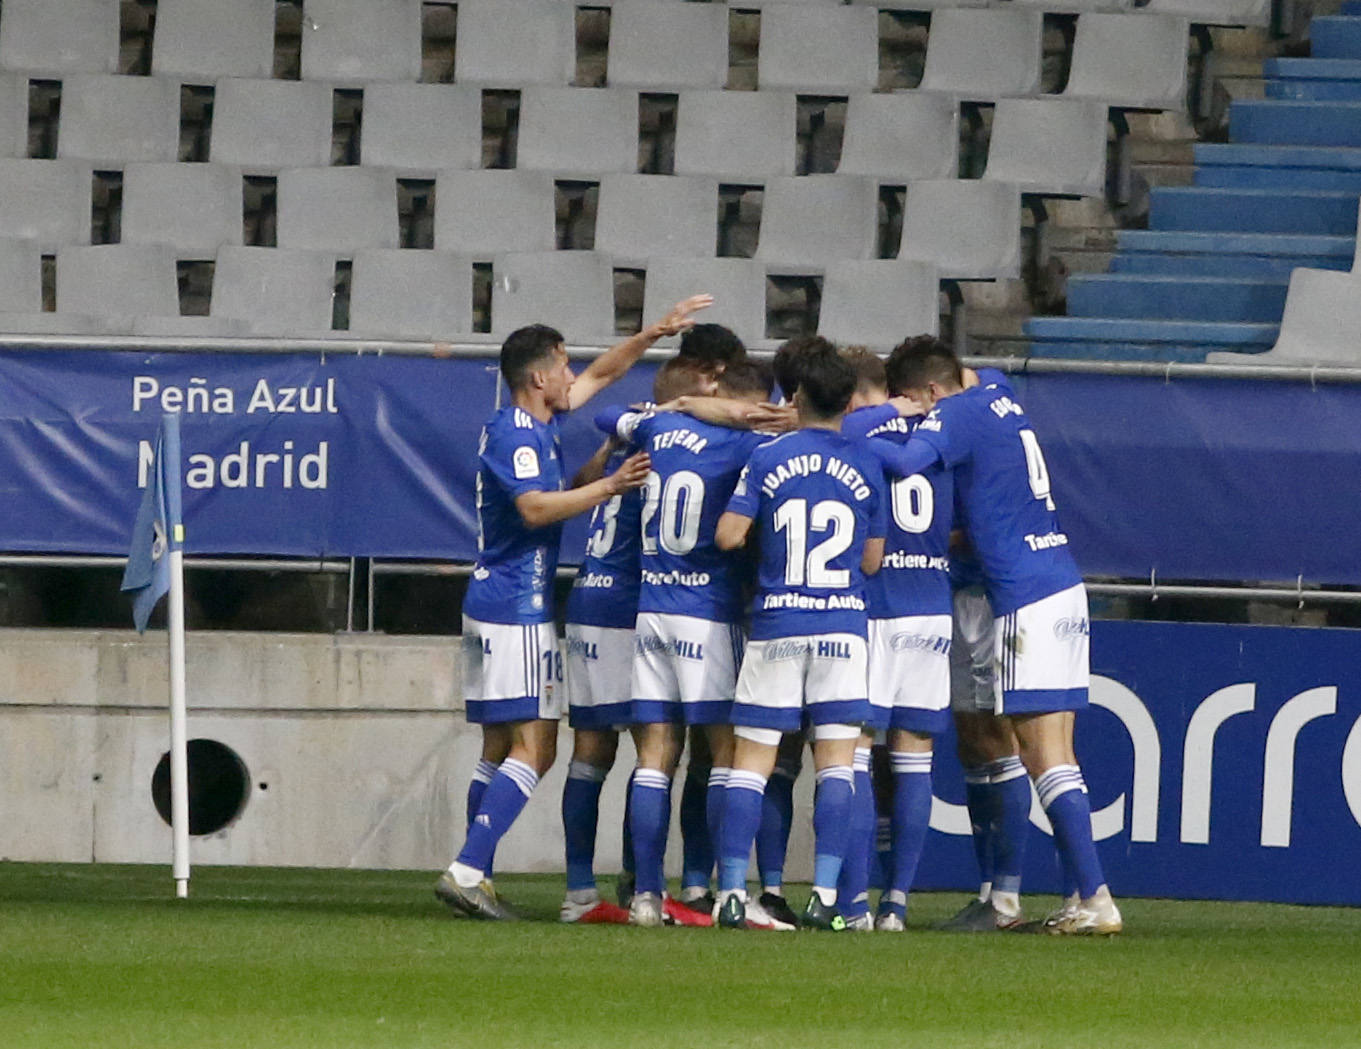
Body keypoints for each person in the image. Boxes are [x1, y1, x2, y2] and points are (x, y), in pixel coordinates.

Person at [436, 296, 712, 919]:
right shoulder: (517, 432)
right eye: (563, 367)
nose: (572, 376)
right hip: (516, 605)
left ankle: (473, 866)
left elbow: (604, 376)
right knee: (537, 749)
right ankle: (467, 867)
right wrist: (609, 485)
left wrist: (652, 333)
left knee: (496, 747)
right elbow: (535, 508)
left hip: (492, 600)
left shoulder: (533, 424)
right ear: (538, 377)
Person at [860, 338, 1121, 936]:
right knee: (1046, 750)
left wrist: (878, 418)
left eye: (915, 403)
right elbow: (979, 370)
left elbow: (902, 463)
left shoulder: (952, 414)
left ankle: (1096, 898)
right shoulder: (998, 392)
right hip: (1058, 579)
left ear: (926, 394)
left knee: (1042, 755)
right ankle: (1077, 896)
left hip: (1022, 596)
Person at [595, 360, 776, 927]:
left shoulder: (657, 429)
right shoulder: (747, 447)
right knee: (726, 753)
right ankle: (729, 893)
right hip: (708, 612)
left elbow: (606, 414)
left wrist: (673, 408)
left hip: (652, 614)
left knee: (654, 757)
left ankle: (647, 896)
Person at [713, 347, 886, 931]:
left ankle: (733, 893)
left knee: (751, 762)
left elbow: (730, 535)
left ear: (797, 400)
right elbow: (872, 559)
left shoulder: (768, 457)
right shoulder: (867, 464)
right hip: (842, 625)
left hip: (778, 622)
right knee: (837, 763)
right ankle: (828, 896)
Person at [559, 355, 732, 925]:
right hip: (636, 605)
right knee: (662, 749)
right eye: (713, 388)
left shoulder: (631, 429)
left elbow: (584, 482)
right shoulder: (683, 446)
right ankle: (656, 885)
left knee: (593, 752)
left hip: (588, 595)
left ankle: (582, 890)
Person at [836, 345, 954, 933]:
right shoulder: (941, 432)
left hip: (878, 606)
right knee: (914, 759)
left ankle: (853, 902)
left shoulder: (856, 436)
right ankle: (897, 905)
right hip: (933, 606)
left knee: (853, 751)